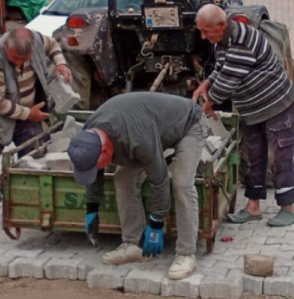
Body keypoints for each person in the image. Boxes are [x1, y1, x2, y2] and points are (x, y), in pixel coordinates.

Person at [67, 93, 207, 280]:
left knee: (181, 184)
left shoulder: (137, 139)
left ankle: (186, 253)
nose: (95, 170)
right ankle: (134, 244)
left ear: (106, 151)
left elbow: (160, 180)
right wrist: (92, 207)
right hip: (152, 128)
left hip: (188, 124)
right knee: (122, 178)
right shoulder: (89, 134)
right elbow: (94, 169)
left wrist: (156, 222)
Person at [191, 4, 294, 228]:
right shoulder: (222, 40)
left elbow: (229, 78)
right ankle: (253, 207)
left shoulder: (242, 40)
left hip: (276, 102)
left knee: (281, 153)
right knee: (254, 155)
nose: (202, 36)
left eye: (205, 31)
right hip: (252, 107)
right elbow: (221, 67)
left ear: (221, 25)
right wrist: (207, 83)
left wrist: (208, 104)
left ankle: (289, 208)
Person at [0, 27, 73, 235]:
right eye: (14, 58)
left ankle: (35, 208)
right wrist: (28, 114)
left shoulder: (37, 40)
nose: (18, 63)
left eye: (24, 59)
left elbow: (52, 43)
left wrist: (60, 63)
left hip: (28, 114)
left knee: (36, 158)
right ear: (7, 45)